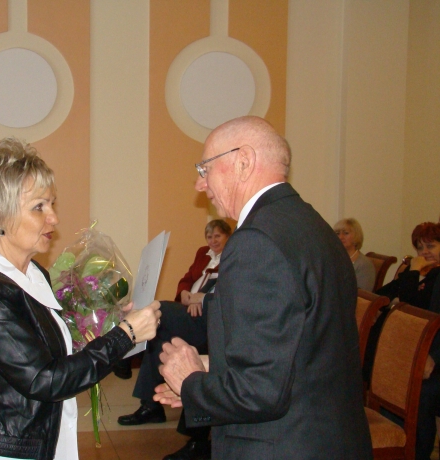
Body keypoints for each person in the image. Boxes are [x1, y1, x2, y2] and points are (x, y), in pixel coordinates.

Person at [154, 116, 373, 459]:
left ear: (243, 161)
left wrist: (192, 383)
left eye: (205, 169)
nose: (200, 184)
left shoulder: (256, 241)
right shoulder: (312, 224)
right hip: (327, 436)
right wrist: (211, 373)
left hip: (283, 445)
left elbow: (260, 392)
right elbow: (301, 348)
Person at [0, 138, 161, 460]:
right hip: (9, 452)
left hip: (46, 440)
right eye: (39, 207)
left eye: (51, 204)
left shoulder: (33, 273)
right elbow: (44, 379)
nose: (54, 218)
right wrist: (125, 335)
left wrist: (110, 325)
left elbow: (50, 349)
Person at [117, 219, 232, 460]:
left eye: (218, 237)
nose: (213, 241)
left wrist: (202, 300)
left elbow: (231, 293)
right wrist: (186, 294)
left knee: (160, 309)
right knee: (158, 338)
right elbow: (186, 279)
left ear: (228, 237)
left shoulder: (234, 255)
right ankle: (151, 406)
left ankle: (122, 353)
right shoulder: (203, 254)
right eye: (209, 237)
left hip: (209, 318)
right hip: (190, 310)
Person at [371, 222, 440, 460]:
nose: (425, 252)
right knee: (385, 373)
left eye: (431, 246)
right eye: (420, 247)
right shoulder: (424, 274)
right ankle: (394, 444)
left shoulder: (432, 276)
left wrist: (412, 273)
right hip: (418, 350)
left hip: (434, 357)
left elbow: (410, 307)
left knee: (417, 392)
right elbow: (382, 295)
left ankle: (416, 451)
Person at [333, 218, 376, 291]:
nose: (340, 237)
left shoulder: (364, 265)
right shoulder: (333, 259)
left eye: (346, 233)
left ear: (356, 236)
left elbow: (362, 294)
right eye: (337, 233)